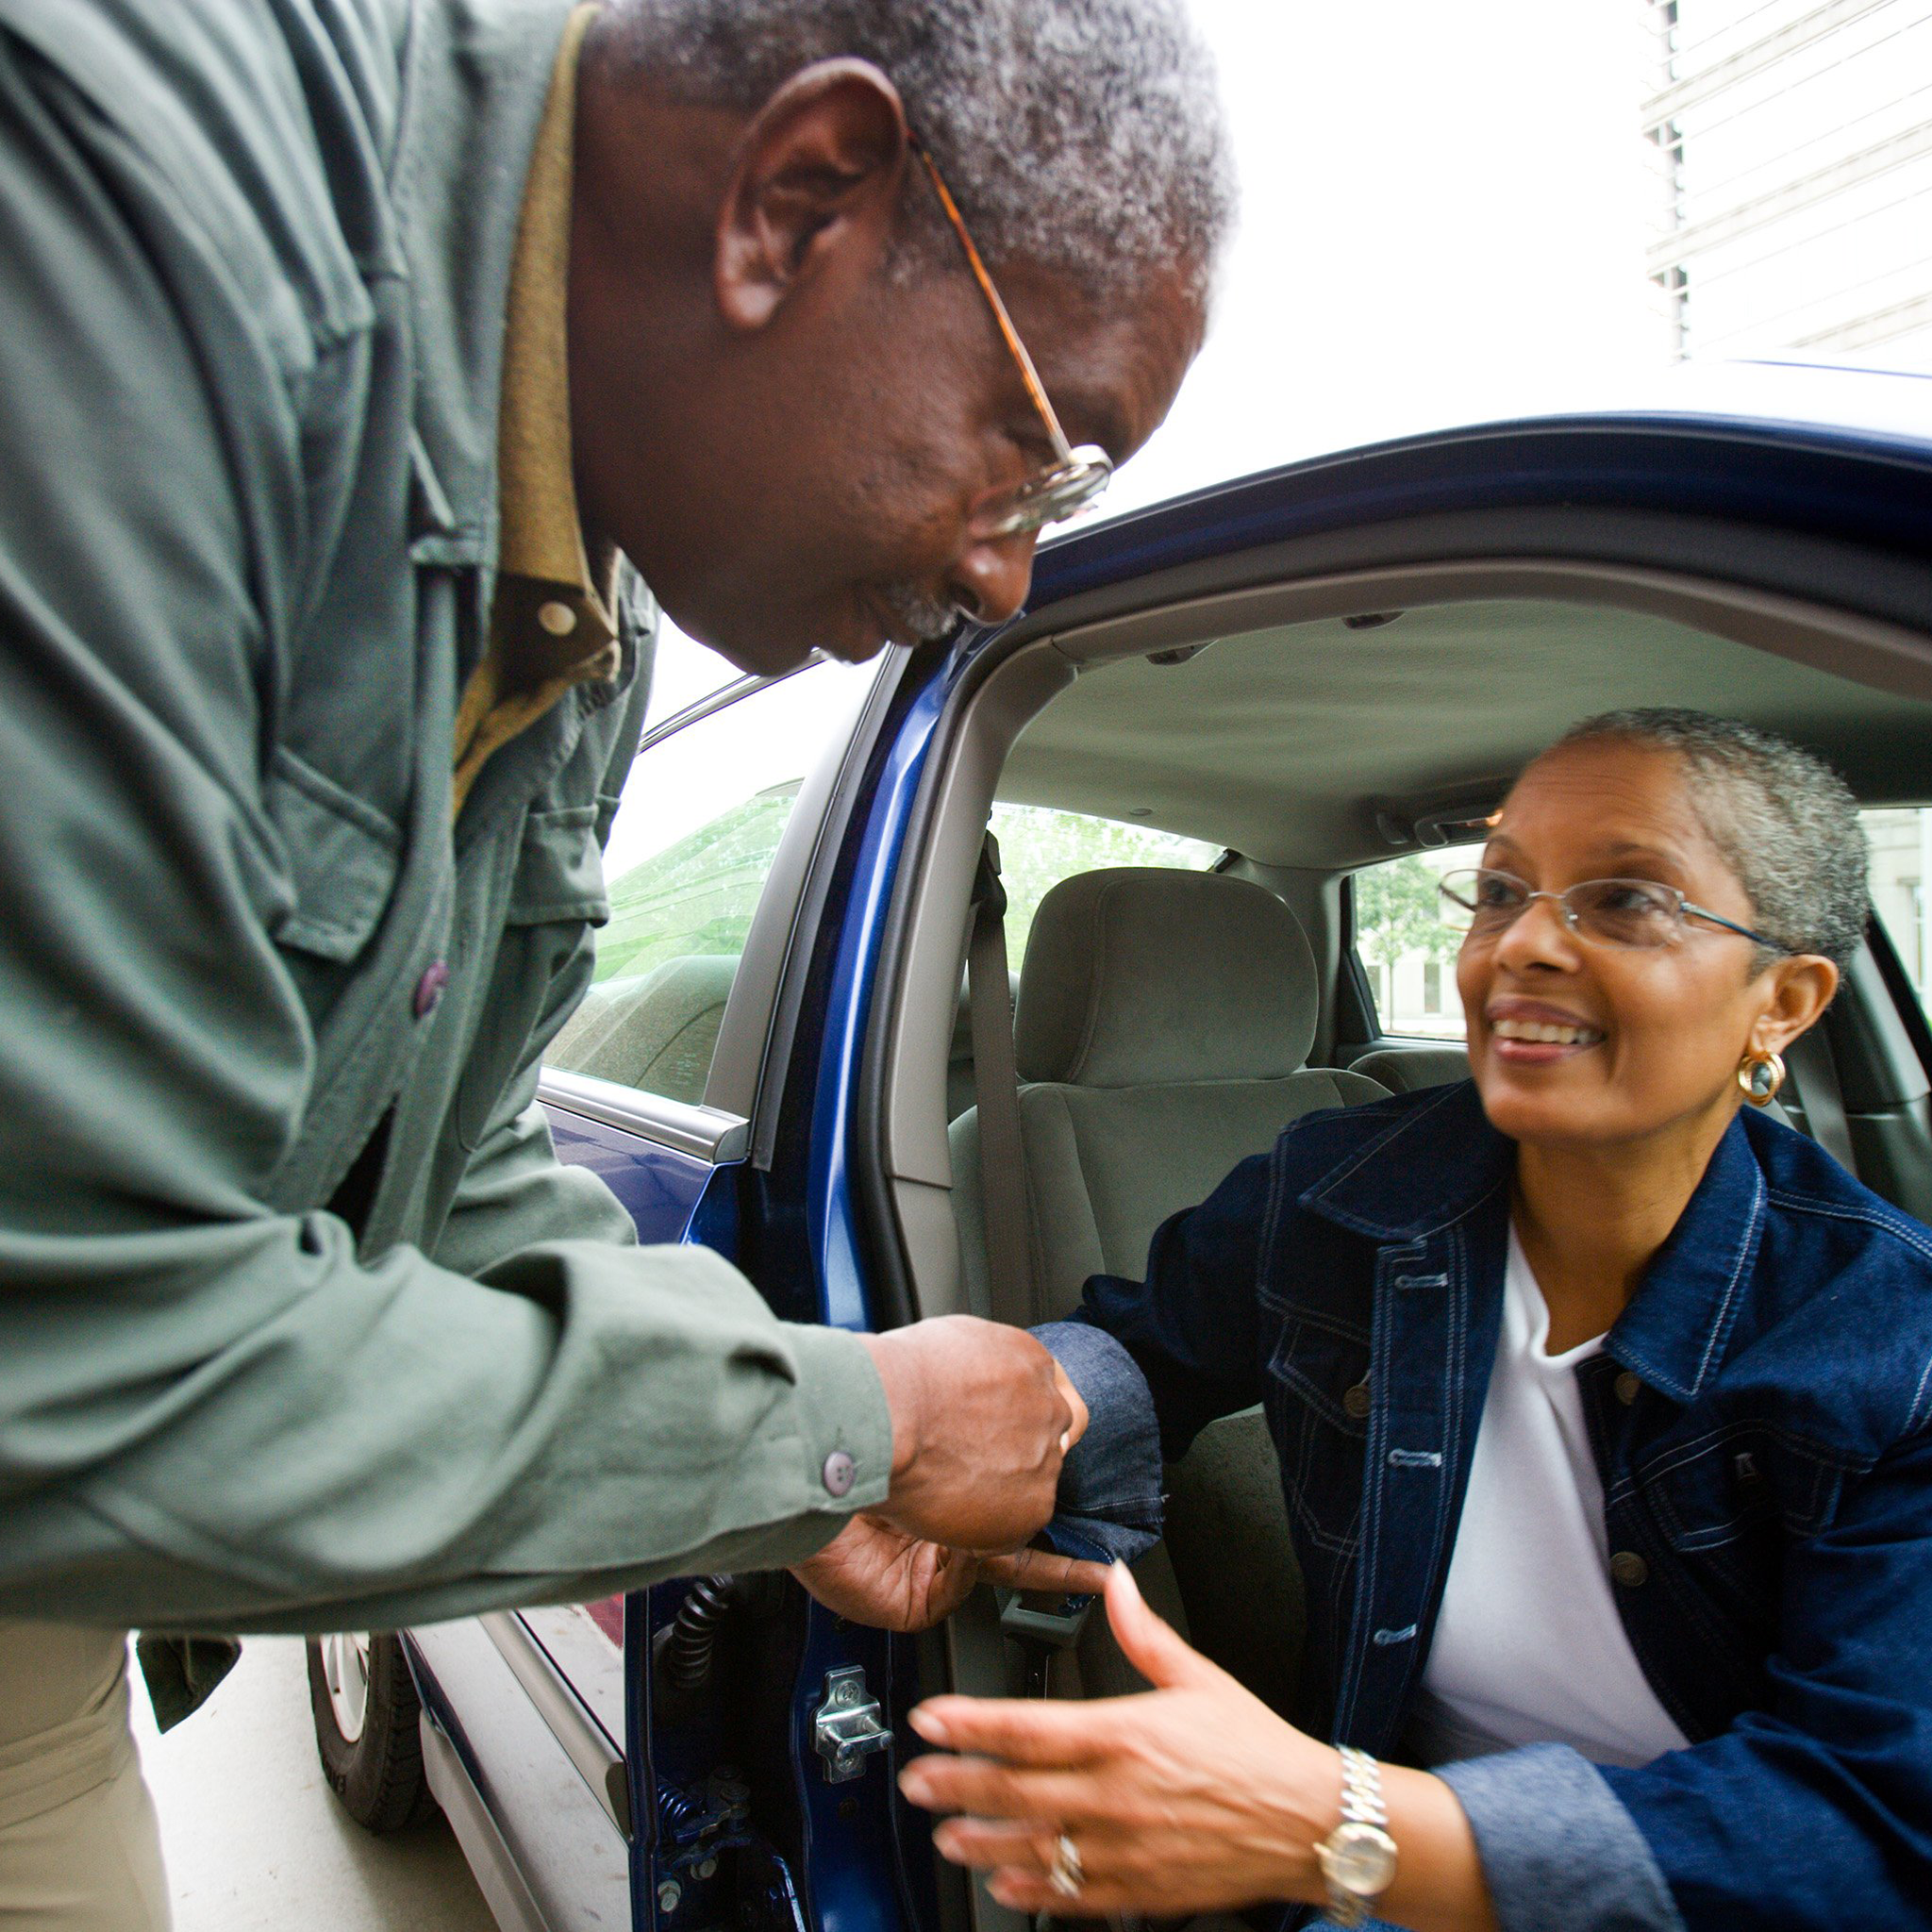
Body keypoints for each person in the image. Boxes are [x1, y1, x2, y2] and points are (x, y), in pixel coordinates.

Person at [0, 0, 1229, 1923]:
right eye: (1038, 452)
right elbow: (67, 1326)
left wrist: (803, 1451)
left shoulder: (588, 588)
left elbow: (451, 1170)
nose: (1008, 575)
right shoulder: (126, 222)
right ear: (800, 197)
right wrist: (858, 1422)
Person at [896, 708, 1932, 1932]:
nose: (1525, 945)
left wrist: (1334, 1824)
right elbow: (1135, 1352)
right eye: (1501, 891)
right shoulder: (1342, 1190)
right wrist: (946, 1438)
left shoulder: (1888, 1339)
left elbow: (1869, 1825)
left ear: (1787, 1002)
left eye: (1626, 900)